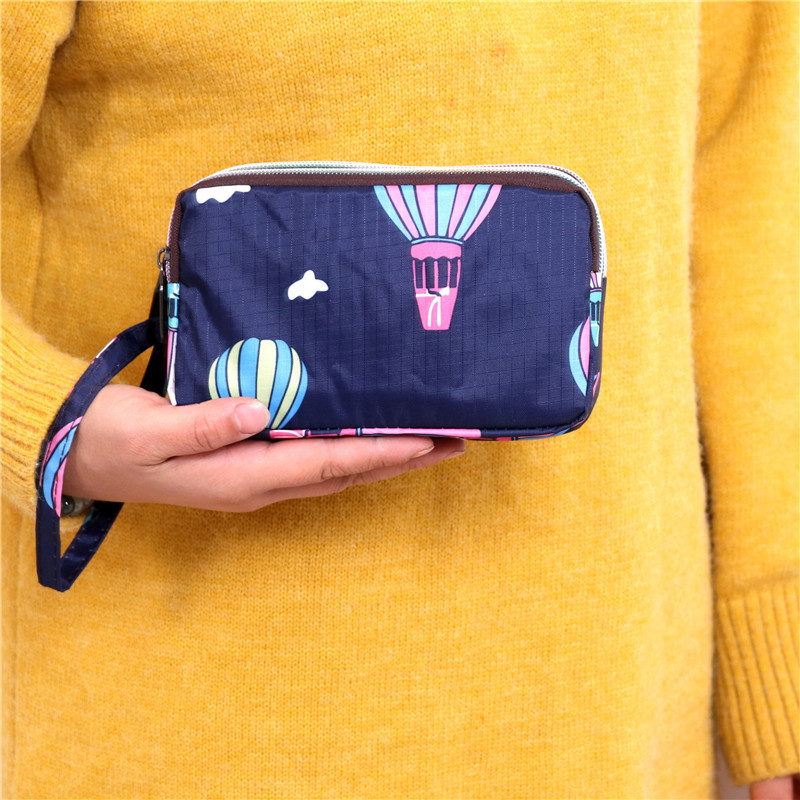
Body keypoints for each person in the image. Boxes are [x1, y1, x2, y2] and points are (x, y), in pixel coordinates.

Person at [2, 2, 797, 797]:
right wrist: (46, 420)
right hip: (191, 714)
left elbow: (750, 179)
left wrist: (779, 654)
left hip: (613, 699)